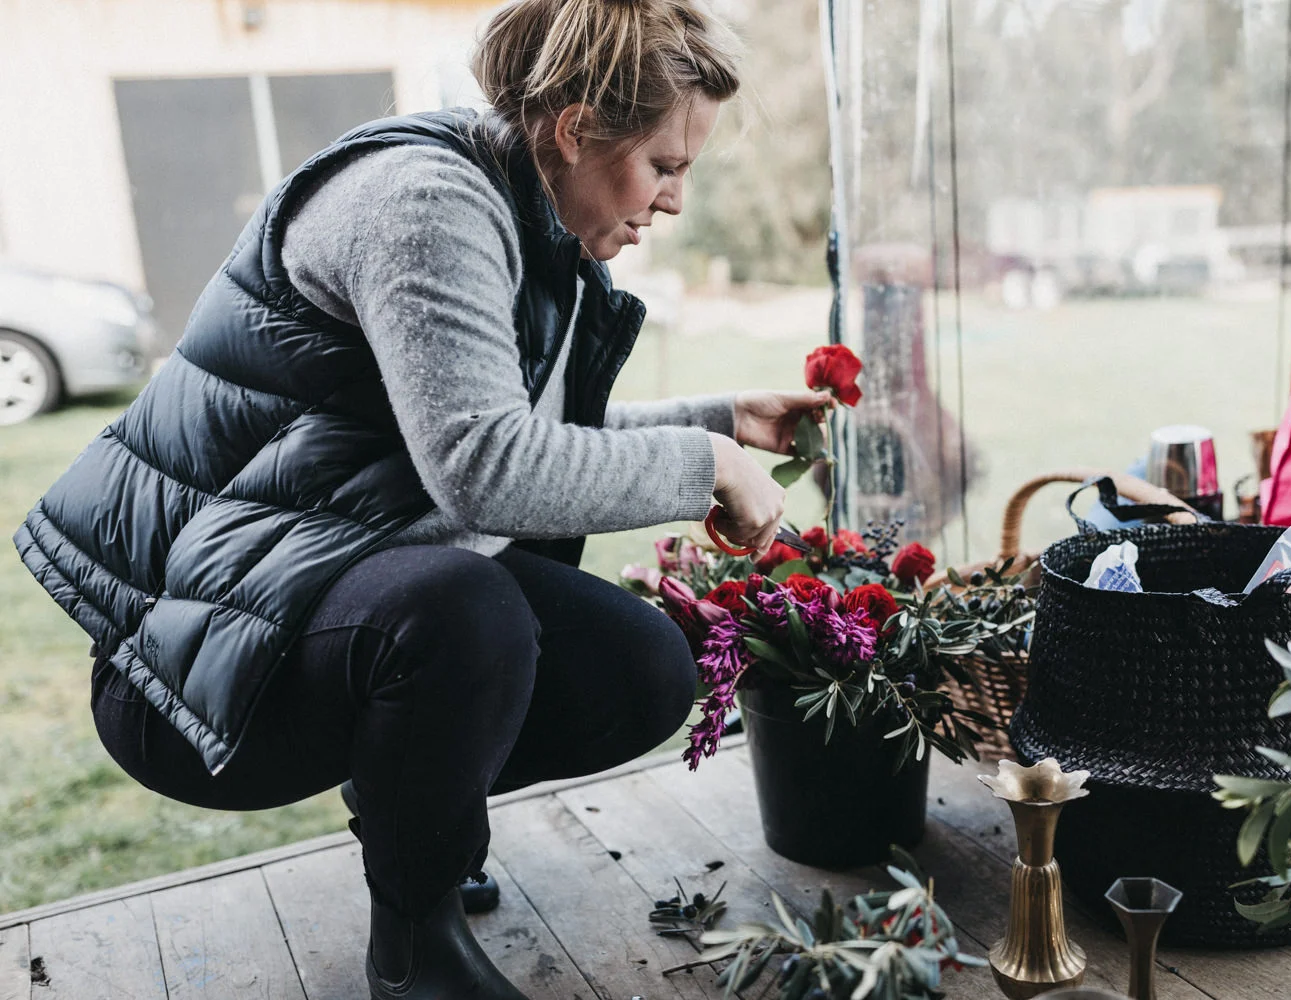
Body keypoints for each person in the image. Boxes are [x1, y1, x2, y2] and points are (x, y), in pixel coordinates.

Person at [11, 1, 828, 996]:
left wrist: (723, 419)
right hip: (184, 667)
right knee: (465, 610)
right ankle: (414, 948)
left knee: (641, 670)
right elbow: (486, 466)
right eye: (665, 165)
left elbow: (503, 428)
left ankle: (406, 805)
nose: (674, 202)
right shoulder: (427, 201)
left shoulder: (522, 209)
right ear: (576, 130)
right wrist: (706, 462)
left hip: (304, 597)